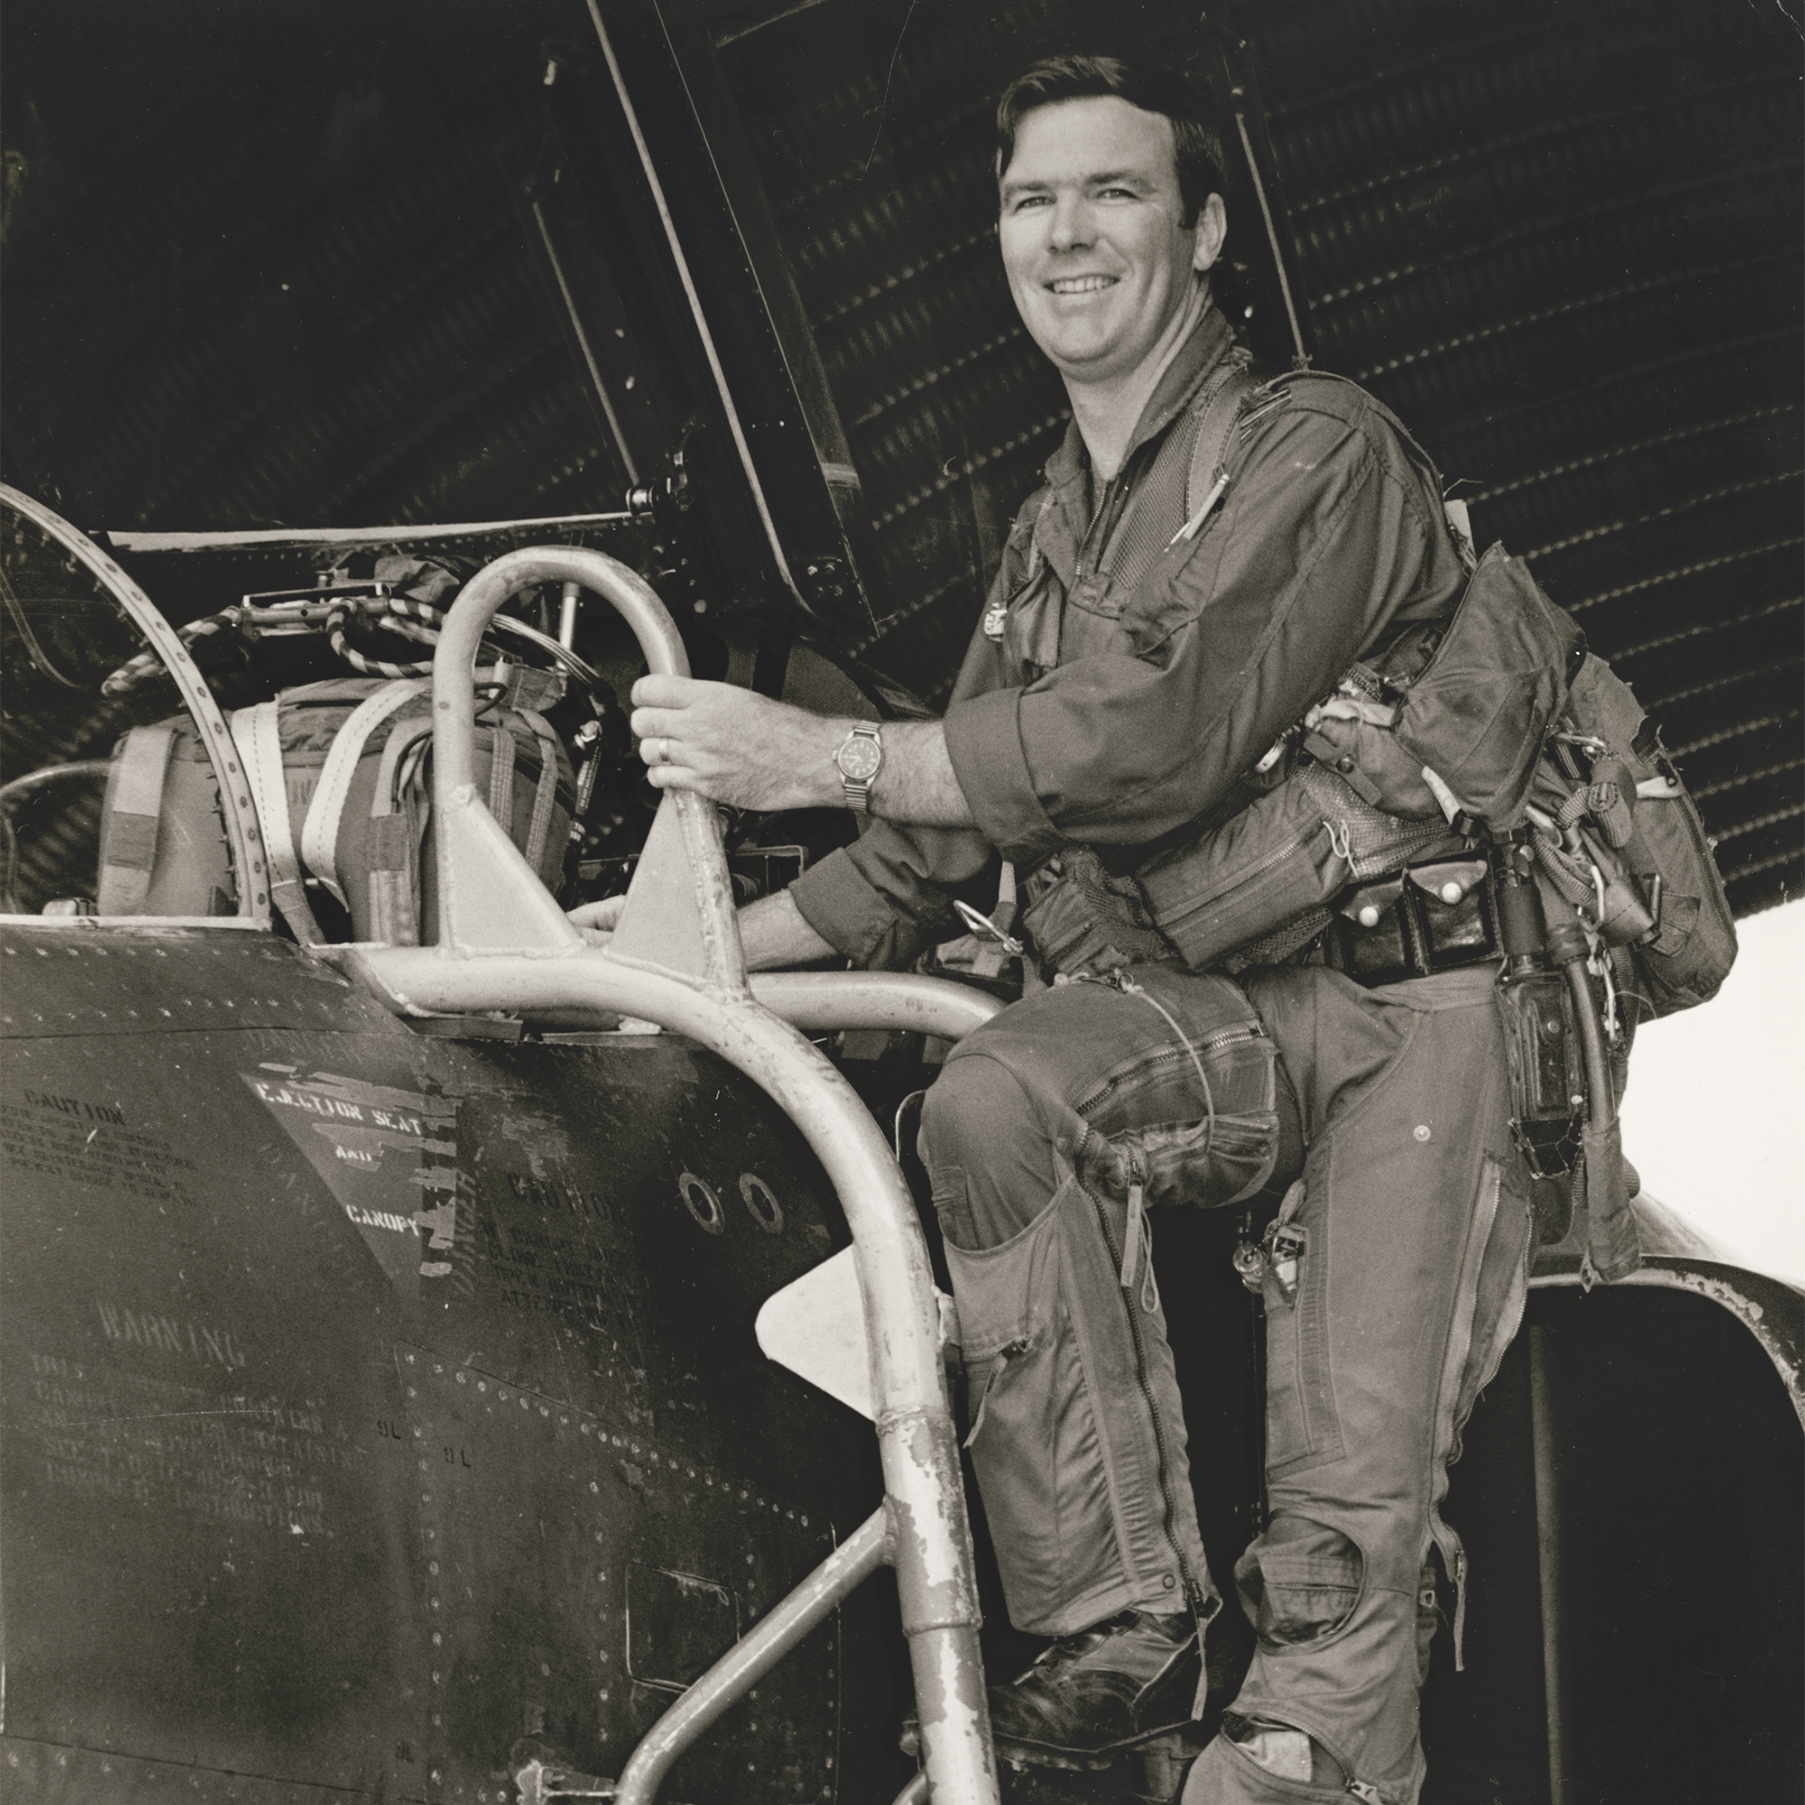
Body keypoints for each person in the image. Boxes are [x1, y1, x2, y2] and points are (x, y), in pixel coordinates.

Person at [583, 55, 1547, 1805]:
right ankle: (1123, 1623)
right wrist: (668, 947)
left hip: (1406, 1018)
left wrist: (818, 749)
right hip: (1227, 1010)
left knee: (1334, 1601)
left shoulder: (1312, 448)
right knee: (991, 1100)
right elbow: (932, 842)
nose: (1065, 232)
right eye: (1032, 201)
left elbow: (1154, 737)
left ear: (1200, 229)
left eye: (1111, 193)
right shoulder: (1053, 527)